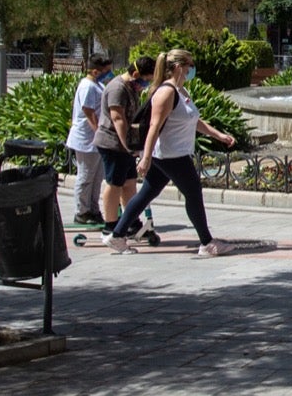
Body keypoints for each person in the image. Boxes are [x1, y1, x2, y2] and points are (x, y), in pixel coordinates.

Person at [110, 49, 237, 256]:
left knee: (146, 194)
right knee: (193, 193)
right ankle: (206, 242)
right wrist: (146, 157)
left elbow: (193, 120)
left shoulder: (180, 92)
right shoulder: (166, 92)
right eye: (189, 66)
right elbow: (154, 126)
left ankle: (117, 235)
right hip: (171, 154)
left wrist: (218, 135)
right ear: (179, 67)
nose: (191, 70)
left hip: (171, 154)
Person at [94, 55, 154, 235]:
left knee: (129, 183)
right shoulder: (117, 88)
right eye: (145, 80)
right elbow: (117, 118)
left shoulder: (131, 87)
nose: (145, 84)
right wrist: (127, 144)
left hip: (126, 147)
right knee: (114, 184)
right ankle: (110, 224)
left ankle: (131, 220)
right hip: (113, 144)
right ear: (136, 73)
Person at [65, 55, 109, 226]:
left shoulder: (97, 84)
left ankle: (93, 208)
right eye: (105, 71)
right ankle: (82, 211)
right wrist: (98, 132)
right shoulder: (87, 86)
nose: (108, 74)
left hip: (94, 140)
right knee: (86, 176)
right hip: (86, 138)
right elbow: (89, 111)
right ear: (95, 70)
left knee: (97, 177)